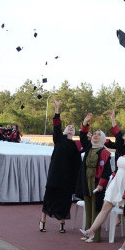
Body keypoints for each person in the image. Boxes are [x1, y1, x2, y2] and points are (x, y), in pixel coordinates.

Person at [80, 110, 125, 250]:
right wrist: (112, 119)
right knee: (105, 207)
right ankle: (90, 231)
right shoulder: (121, 151)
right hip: (115, 184)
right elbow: (118, 136)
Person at [39, 98, 82, 233]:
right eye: (68, 126)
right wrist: (57, 109)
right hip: (55, 175)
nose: (71, 127)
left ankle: (62, 223)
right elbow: (56, 125)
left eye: (73, 128)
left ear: (74, 133)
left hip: (67, 178)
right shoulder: (59, 139)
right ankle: (42, 221)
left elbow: (80, 158)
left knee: (64, 200)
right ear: (65, 130)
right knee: (49, 197)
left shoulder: (76, 145)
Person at [76, 112, 113, 243]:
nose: (96, 136)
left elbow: (107, 171)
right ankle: (87, 233)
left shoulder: (104, 152)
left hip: (97, 183)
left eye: (99, 135)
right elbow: (82, 137)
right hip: (86, 180)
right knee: (88, 206)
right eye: (95, 134)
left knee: (96, 208)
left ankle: (95, 236)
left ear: (103, 138)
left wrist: (101, 184)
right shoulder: (89, 148)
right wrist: (85, 122)